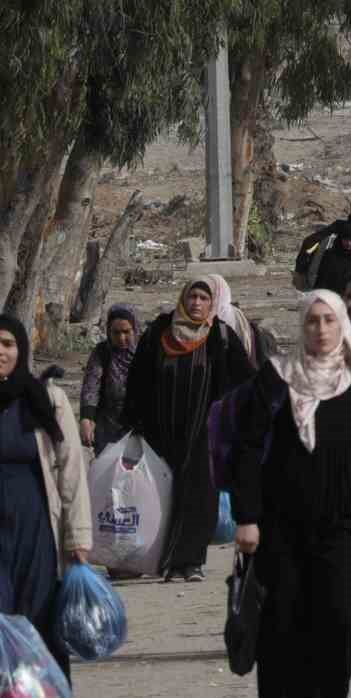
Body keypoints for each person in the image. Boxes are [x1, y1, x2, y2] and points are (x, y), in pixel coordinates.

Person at [232, 290, 351, 698]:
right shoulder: (275, 378)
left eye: (330, 320)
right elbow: (248, 449)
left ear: (342, 325)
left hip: (339, 520)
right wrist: (247, 516)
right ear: (301, 325)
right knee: (282, 623)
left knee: (345, 615)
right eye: (313, 320)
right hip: (280, 524)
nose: (322, 329)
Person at [122, 277, 252, 580]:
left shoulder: (220, 335)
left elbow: (245, 380)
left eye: (203, 298)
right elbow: (138, 379)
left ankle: (190, 561)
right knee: (160, 495)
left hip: (204, 434)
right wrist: (133, 421)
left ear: (211, 304)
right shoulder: (159, 333)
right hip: (160, 432)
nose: (196, 303)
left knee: (199, 496)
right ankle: (162, 559)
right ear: (182, 298)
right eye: (191, 296)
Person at [0, 313, 92, 683]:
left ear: (21, 350)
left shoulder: (45, 399)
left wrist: (79, 537)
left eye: (7, 344)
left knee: (39, 620)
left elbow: (70, 470)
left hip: (37, 531)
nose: (0, 352)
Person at [79, 304, 139, 454]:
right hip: (108, 428)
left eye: (126, 332)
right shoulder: (102, 352)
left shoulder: (146, 351)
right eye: (116, 332)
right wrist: (87, 418)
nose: (121, 338)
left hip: (140, 429)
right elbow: (91, 387)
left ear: (135, 329)